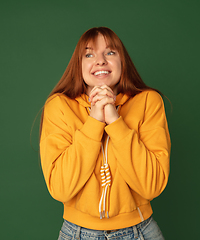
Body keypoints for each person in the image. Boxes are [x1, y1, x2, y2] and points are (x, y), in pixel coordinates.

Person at [39, 27, 171, 240]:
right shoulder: (59, 106)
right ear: (78, 66)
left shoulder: (148, 102)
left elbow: (152, 186)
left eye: (110, 52)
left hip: (140, 232)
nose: (100, 60)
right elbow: (60, 189)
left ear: (122, 61)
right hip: (77, 233)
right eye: (89, 54)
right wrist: (94, 121)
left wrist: (114, 120)